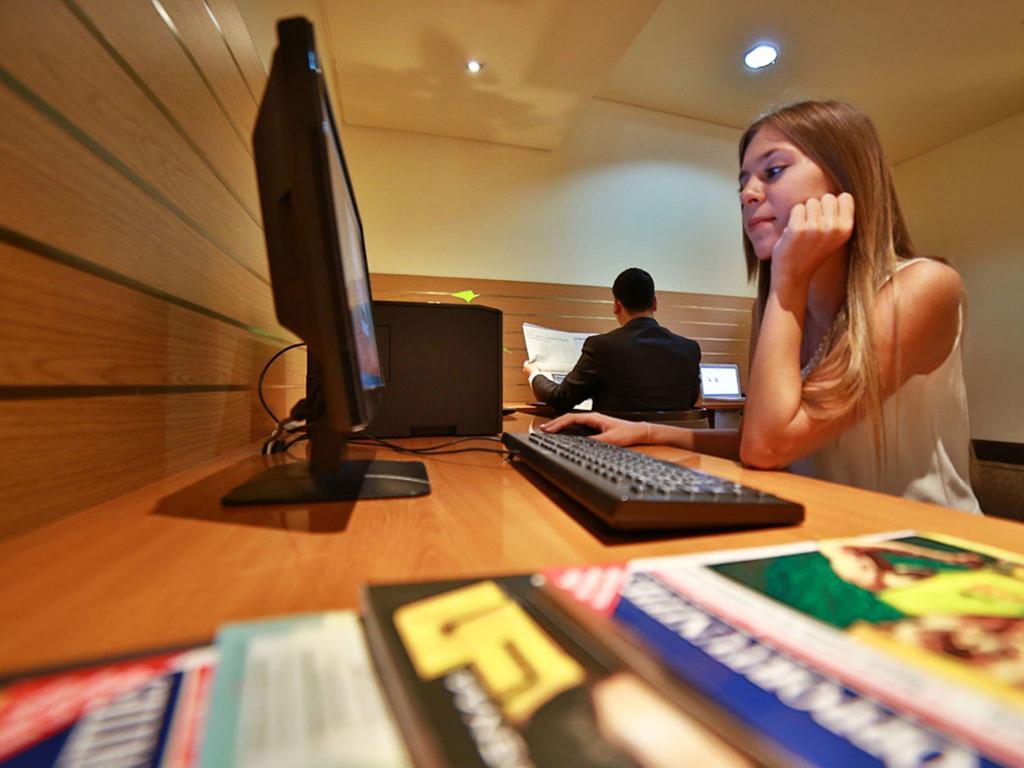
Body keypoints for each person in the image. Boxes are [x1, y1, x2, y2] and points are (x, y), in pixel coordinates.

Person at [541, 100, 980, 513]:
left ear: (846, 180)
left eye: (772, 171)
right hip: (827, 534)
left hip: (928, 547)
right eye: (743, 182)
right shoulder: (780, 308)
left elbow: (768, 447)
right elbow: (762, 437)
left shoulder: (925, 286)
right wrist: (646, 432)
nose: (748, 194)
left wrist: (787, 280)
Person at [522, 268, 701, 413]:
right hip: (677, 451)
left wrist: (534, 374)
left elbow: (561, 399)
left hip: (615, 451)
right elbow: (691, 400)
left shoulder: (601, 347)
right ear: (654, 303)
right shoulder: (690, 349)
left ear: (616, 305)